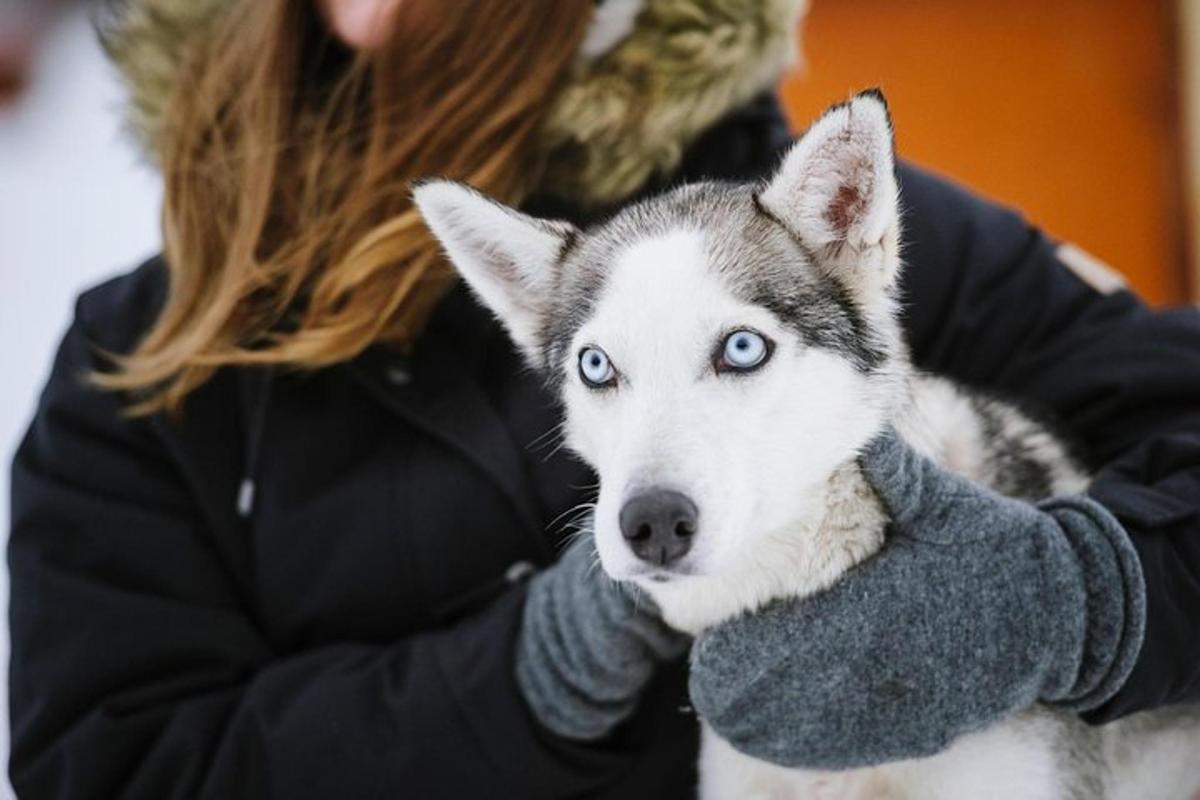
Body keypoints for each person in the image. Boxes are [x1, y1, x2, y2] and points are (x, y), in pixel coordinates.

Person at [8, 0, 1199, 797]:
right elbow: (110, 762)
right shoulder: (156, 348)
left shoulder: (822, 240)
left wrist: (1087, 594)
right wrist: (528, 673)